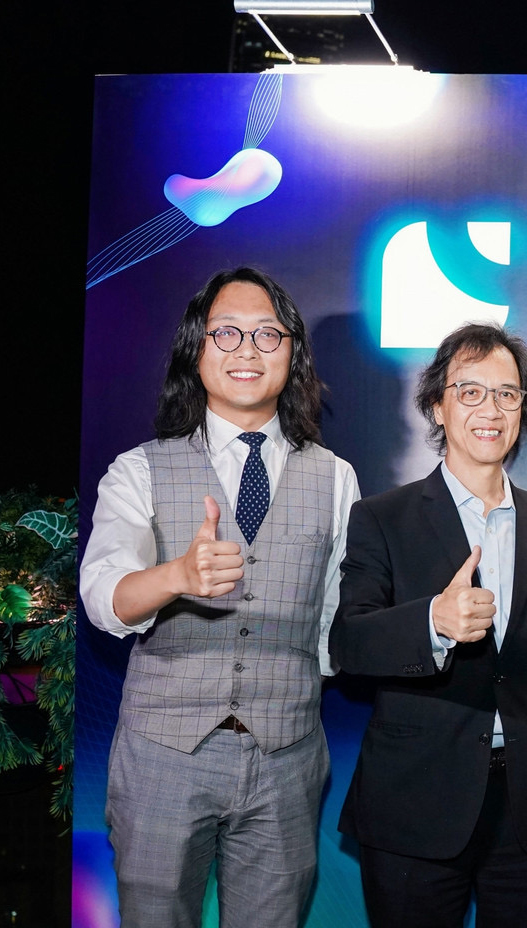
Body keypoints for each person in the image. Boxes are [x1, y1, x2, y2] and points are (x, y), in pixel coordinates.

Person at [80, 267, 359, 928]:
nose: (247, 349)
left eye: (267, 334)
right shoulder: (139, 468)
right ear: (195, 351)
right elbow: (101, 596)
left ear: (292, 354)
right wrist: (175, 576)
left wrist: (290, 688)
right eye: (226, 333)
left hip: (287, 759)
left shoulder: (336, 476)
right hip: (161, 758)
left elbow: (335, 615)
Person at [328, 323, 527, 928]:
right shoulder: (382, 518)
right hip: (413, 805)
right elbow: (349, 641)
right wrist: (432, 622)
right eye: (470, 392)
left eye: (507, 393)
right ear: (437, 406)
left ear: (523, 409)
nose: (490, 410)